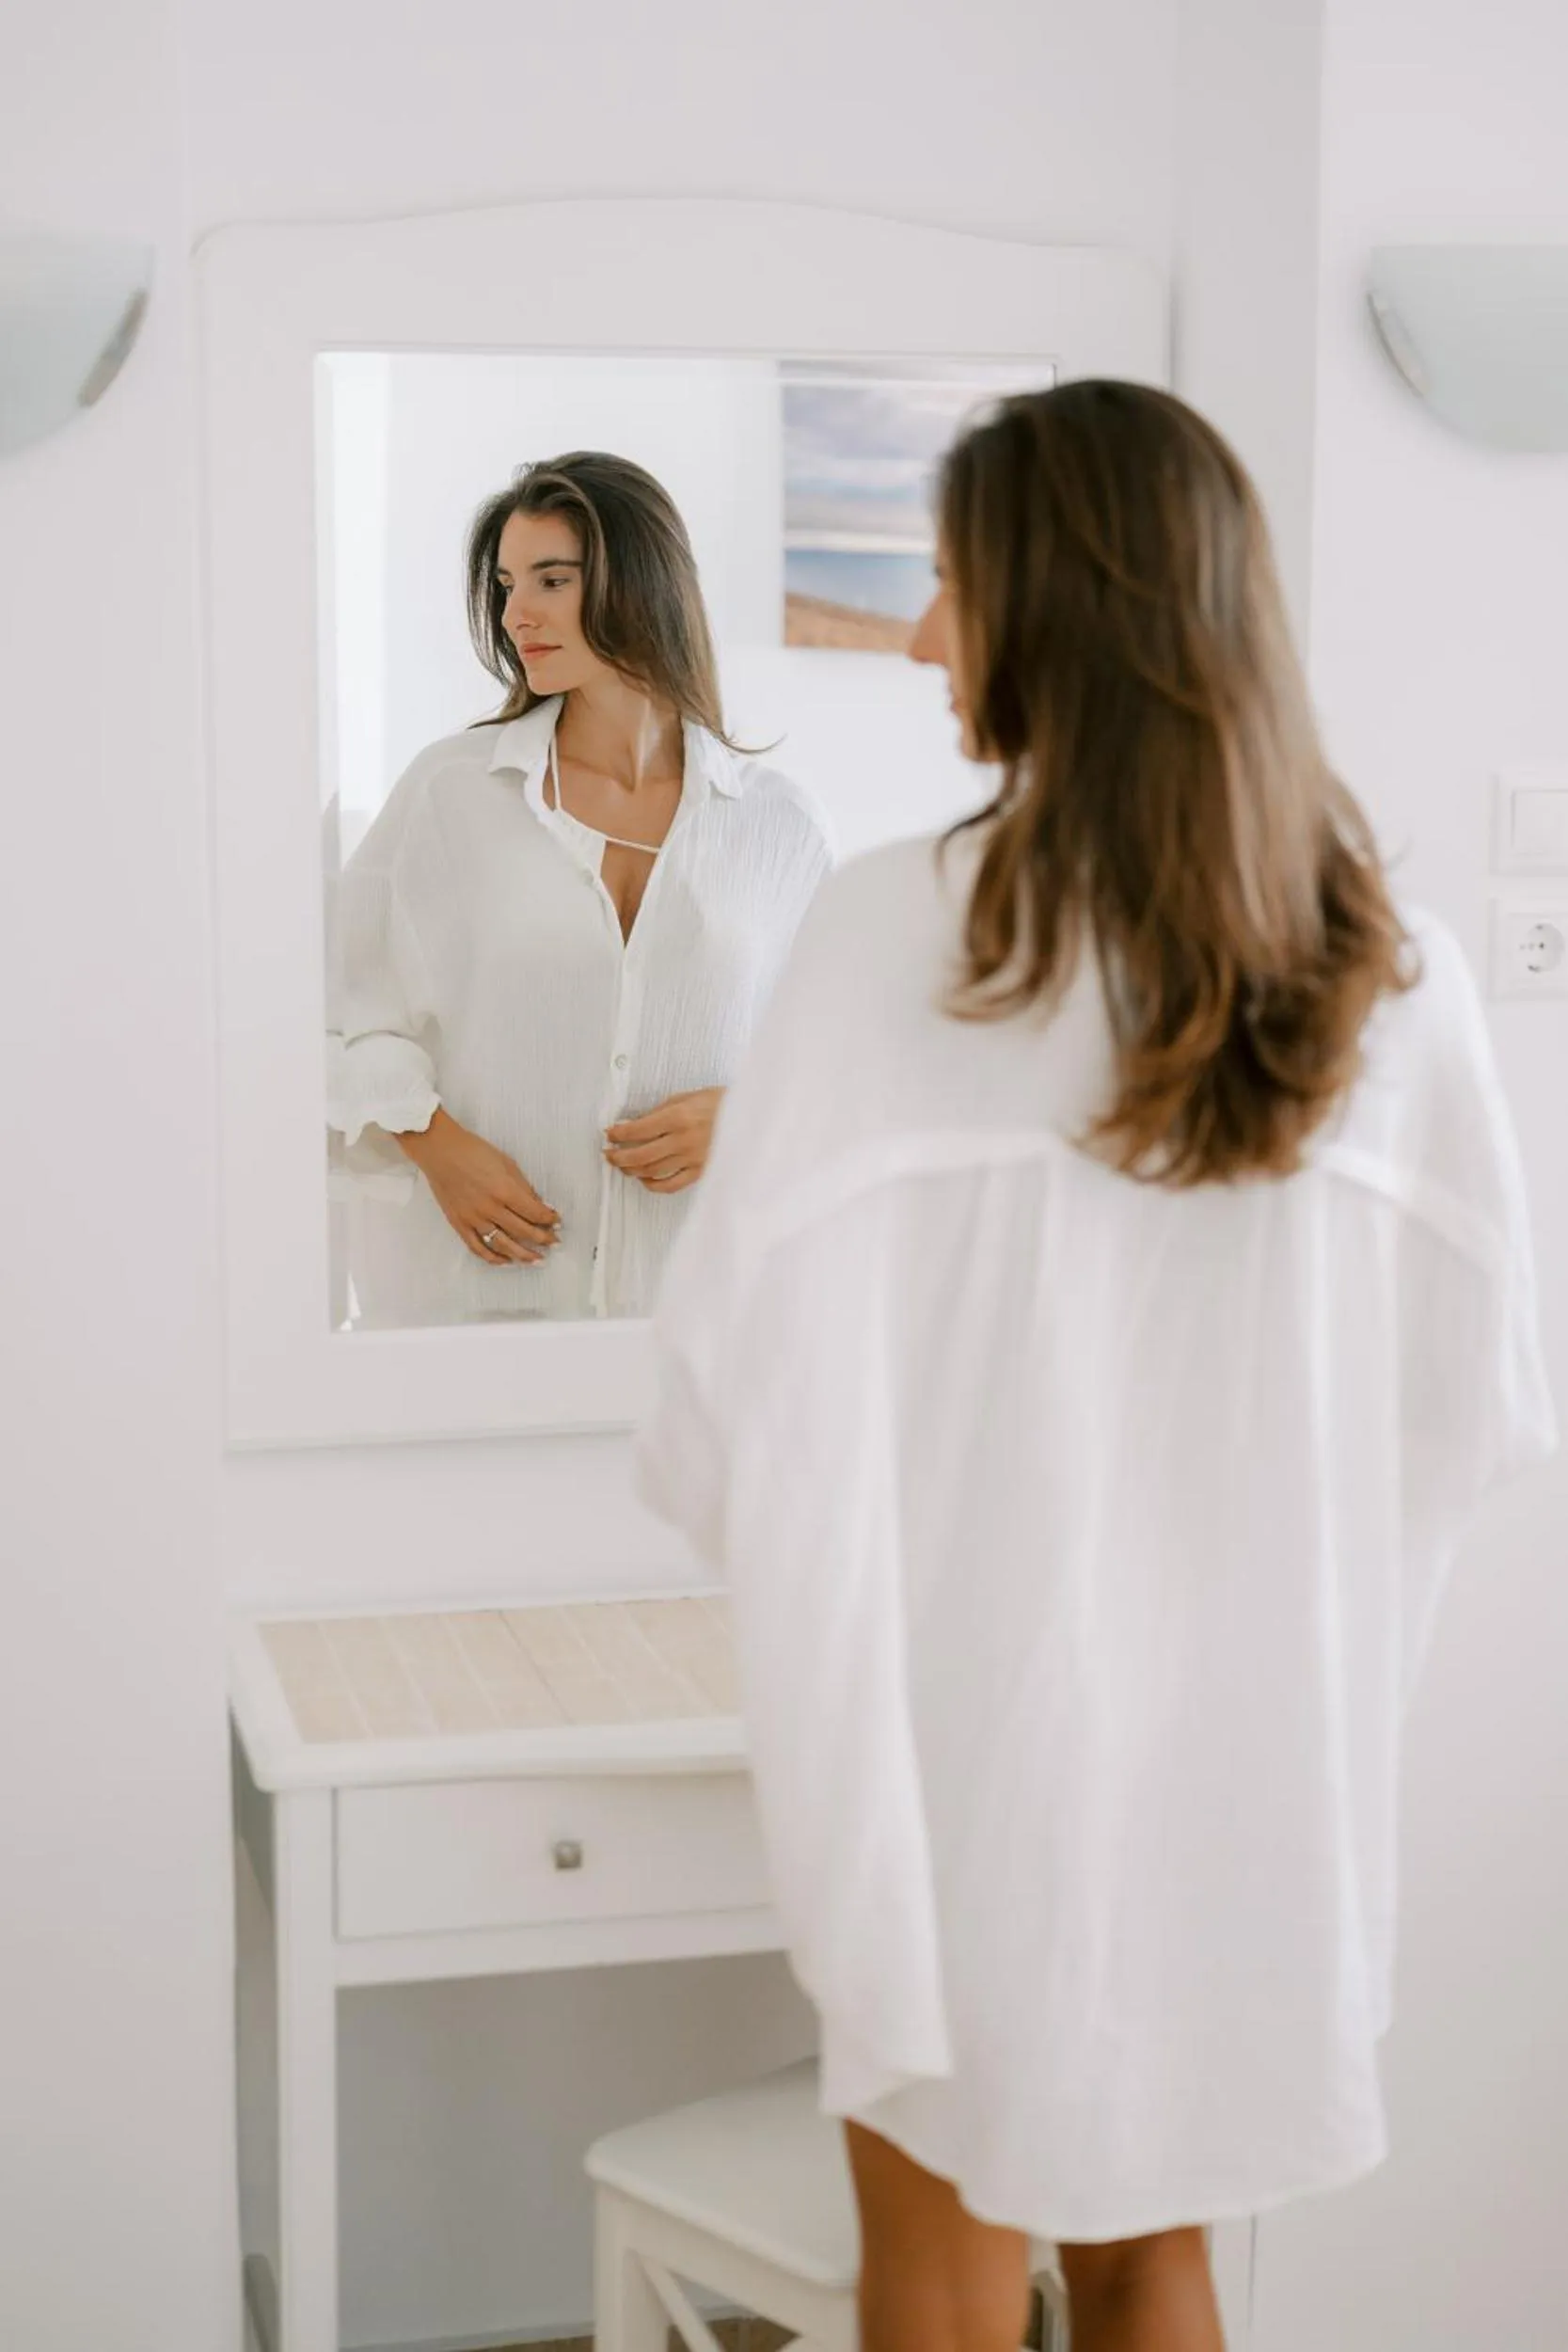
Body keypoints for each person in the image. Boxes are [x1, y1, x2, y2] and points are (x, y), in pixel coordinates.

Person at [637, 383, 1556, 2352]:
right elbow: (1475, 1400)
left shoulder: (899, 935)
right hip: (1243, 1762)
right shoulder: (1380, 970)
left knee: (945, 2265)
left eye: (948, 585)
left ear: (1058, 606)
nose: (917, 636)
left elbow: (726, 1393)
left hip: (960, 1744)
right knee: (1158, 2255)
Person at [327, 451, 833, 1325]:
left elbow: (841, 1063)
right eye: (506, 583)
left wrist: (752, 1114)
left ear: (642, 584)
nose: (516, 613)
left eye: (551, 580)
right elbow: (337, 1015)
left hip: (705, 1318)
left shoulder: (779, 826)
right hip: (477, 1304)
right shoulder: (453, 792)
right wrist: (435, 1145)